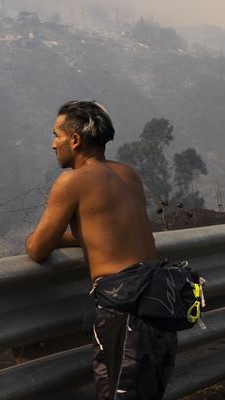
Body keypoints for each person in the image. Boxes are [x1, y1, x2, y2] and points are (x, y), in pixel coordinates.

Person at [26, 100, 176, 400]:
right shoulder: (127, 173)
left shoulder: (71, 181)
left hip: (125, 308)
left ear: (75, 140)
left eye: (56, 135)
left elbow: (38, 248)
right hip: (159, 298)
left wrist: (41, 238)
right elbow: (107, 233)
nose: (52, 144)